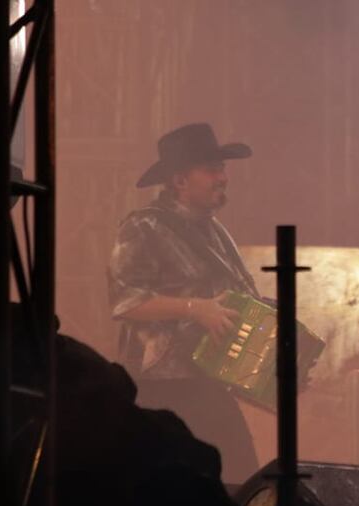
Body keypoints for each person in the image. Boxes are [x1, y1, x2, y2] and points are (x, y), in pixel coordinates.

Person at [108, 122, 260, 484]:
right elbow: (124, 301)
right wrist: (195, 308)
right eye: (212, 169)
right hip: (160, 389)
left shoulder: (216, 231)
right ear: (179, 180)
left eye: (222, 168)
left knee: (239, 483)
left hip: (206, 382)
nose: (222, 177)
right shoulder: (142, 226)